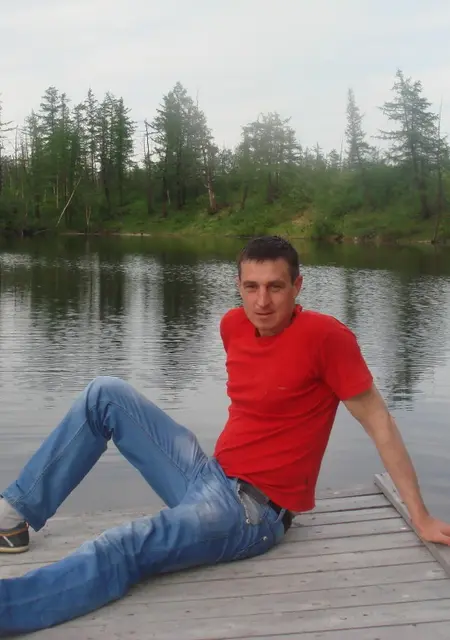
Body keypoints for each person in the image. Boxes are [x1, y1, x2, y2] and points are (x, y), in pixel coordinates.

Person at [1, 235, 450, 635]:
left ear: (297, 286)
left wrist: (421, 516)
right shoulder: (232, 325)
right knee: (105, 394)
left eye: (275, 287)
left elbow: (379, 422)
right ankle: (14, 516)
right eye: (251, 287)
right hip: (209, 476)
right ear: (238, 286)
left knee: (124, 543)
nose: (262, 301)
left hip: (250, 512)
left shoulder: (327, 338)